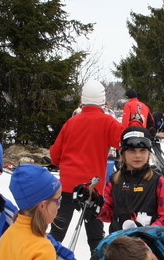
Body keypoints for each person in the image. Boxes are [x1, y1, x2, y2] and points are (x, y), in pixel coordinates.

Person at [48, 80, 123, 250]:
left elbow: (54, 155)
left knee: (57, 232)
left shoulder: (71, 122)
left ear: (82, 99)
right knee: (96, 237)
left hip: (67, 185)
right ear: (102, 100)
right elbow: (124, 143)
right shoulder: (108, 122)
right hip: (92, 188)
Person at [98, 126, 164, 233]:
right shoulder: (114, 180)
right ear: (123, 153)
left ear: (149, 153)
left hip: (147, 243)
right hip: (119, 243)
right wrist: (95, 206)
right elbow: (108, 215)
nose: (137, 155)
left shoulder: (157, 181)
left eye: (142, 151)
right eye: (132, 151)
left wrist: (146, 231)